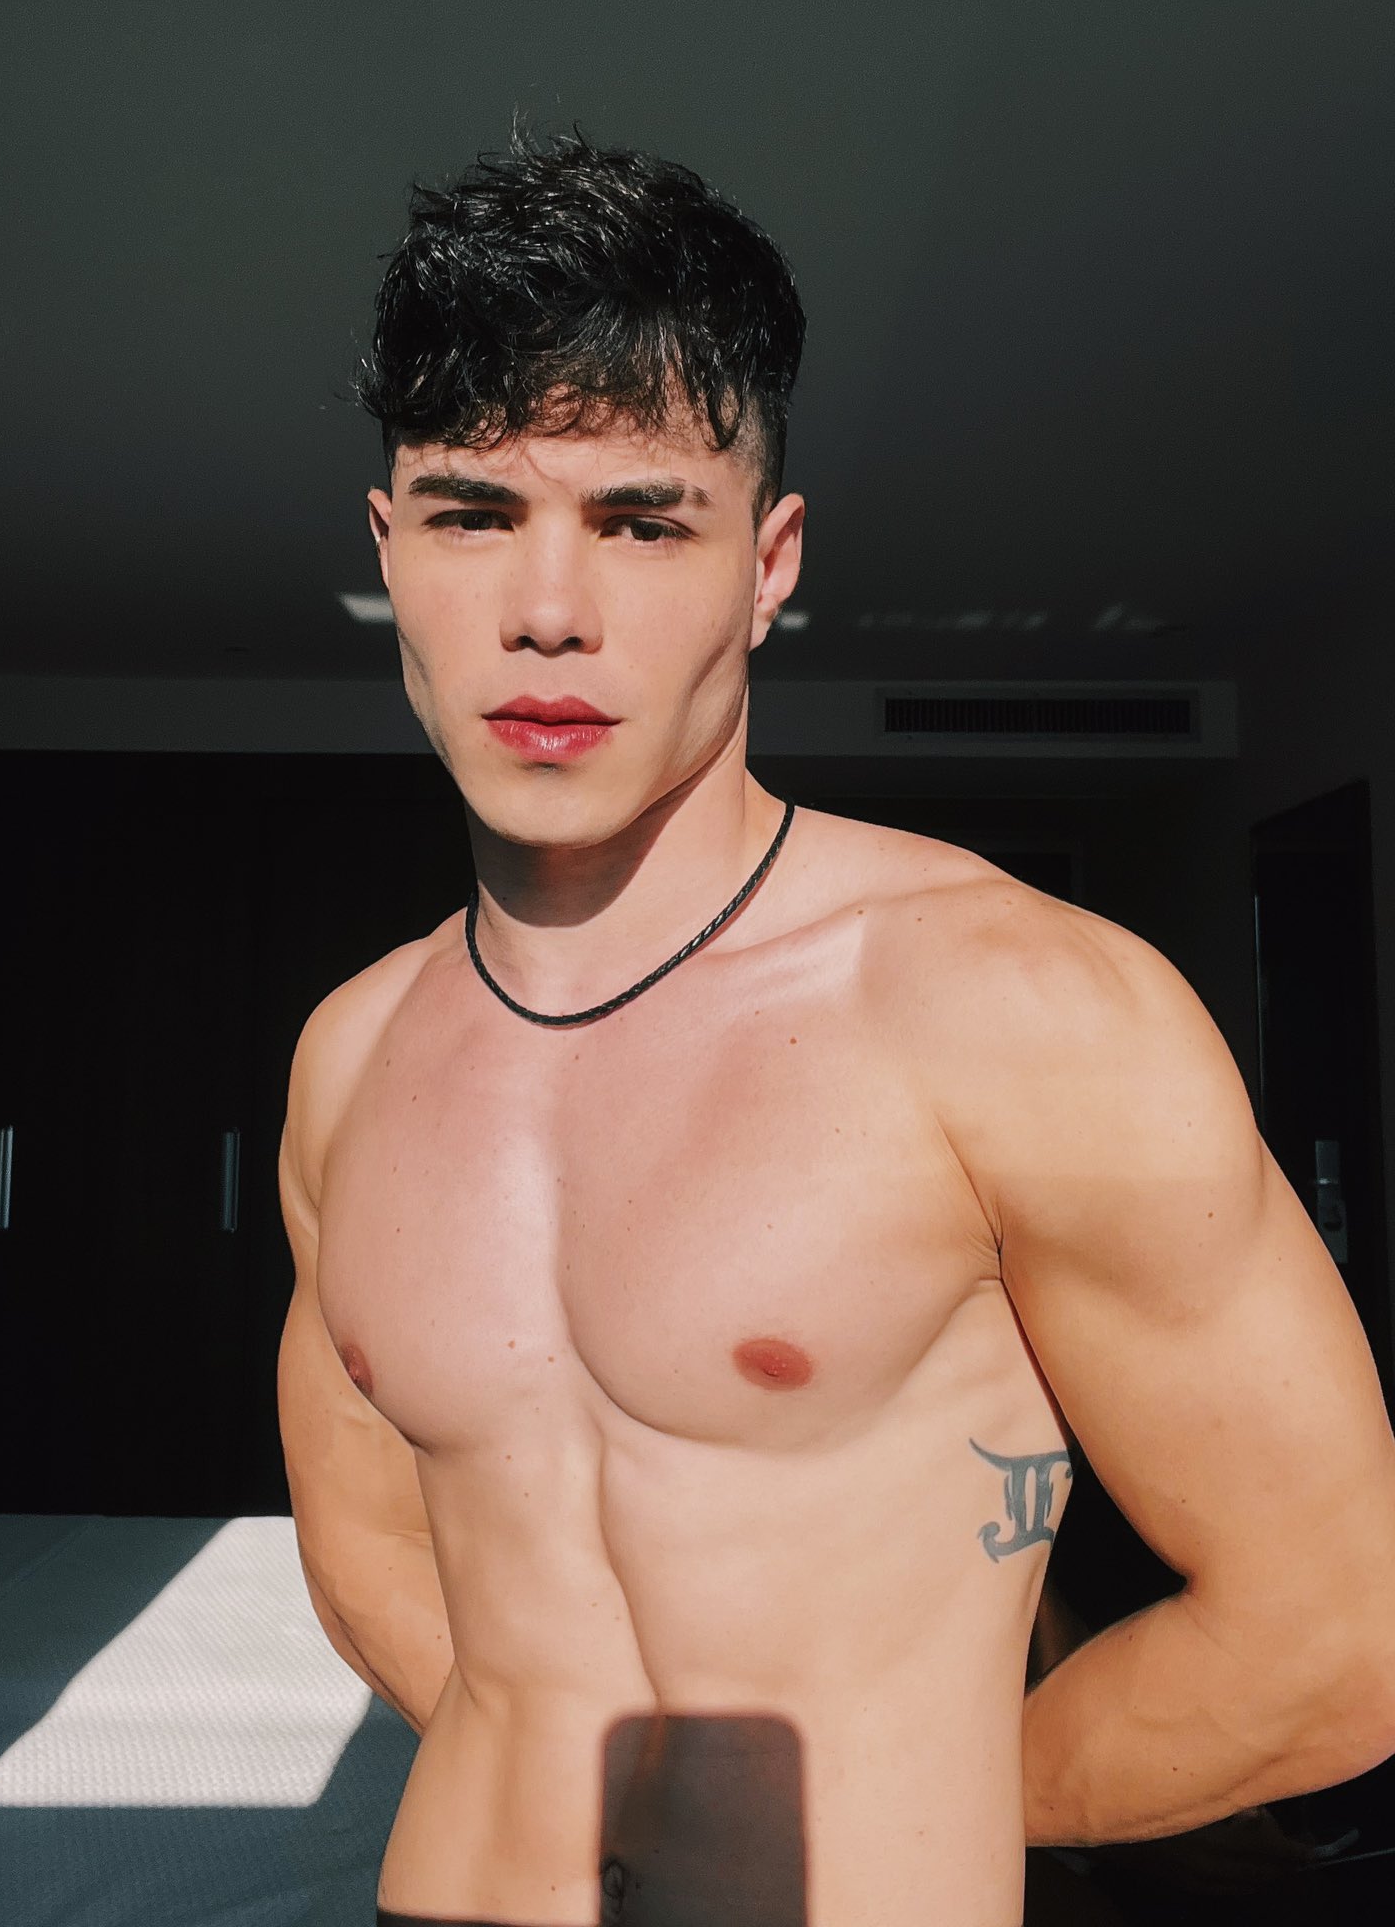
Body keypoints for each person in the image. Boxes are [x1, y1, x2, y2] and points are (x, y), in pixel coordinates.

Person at [275, 122, 1395, 1927]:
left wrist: (927, 1801)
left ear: (769, 563)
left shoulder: (1010, 1008)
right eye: (477, 516)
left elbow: (1340, 1635)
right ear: (388, 548)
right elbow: (364, 1553)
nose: (547, 614)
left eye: (643, 523)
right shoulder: (352, 1058)